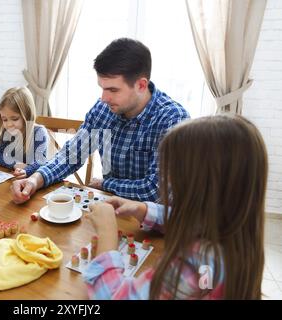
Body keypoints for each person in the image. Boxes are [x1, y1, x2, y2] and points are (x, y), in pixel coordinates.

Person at [83, 114, 267, 299]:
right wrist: (143, 210)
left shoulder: (193, 267)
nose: (168, 179)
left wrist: (107, 233)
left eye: (174, 171)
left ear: (199, 186)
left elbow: (114, 296)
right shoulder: (237, 237)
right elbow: (197, 220)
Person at [11, 38, 189, 204]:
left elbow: (155, 191)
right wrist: (35, 179)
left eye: (113, 89)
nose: (103, 98)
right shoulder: (104, 108)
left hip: (157, 225)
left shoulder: (173, 119)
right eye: (102, 88)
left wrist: (106, 184)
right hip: (112, 209)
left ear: (141, 85)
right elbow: (71, 156)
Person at [0, 86, 48, 179]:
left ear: (27, 114)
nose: (9, 124)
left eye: (14, 119)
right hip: (14, 178)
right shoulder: (8, 132)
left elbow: (40, 162)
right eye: (4, 119)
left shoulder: (39, 132)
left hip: (32, 181)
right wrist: (15, 164)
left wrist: (26, 170)